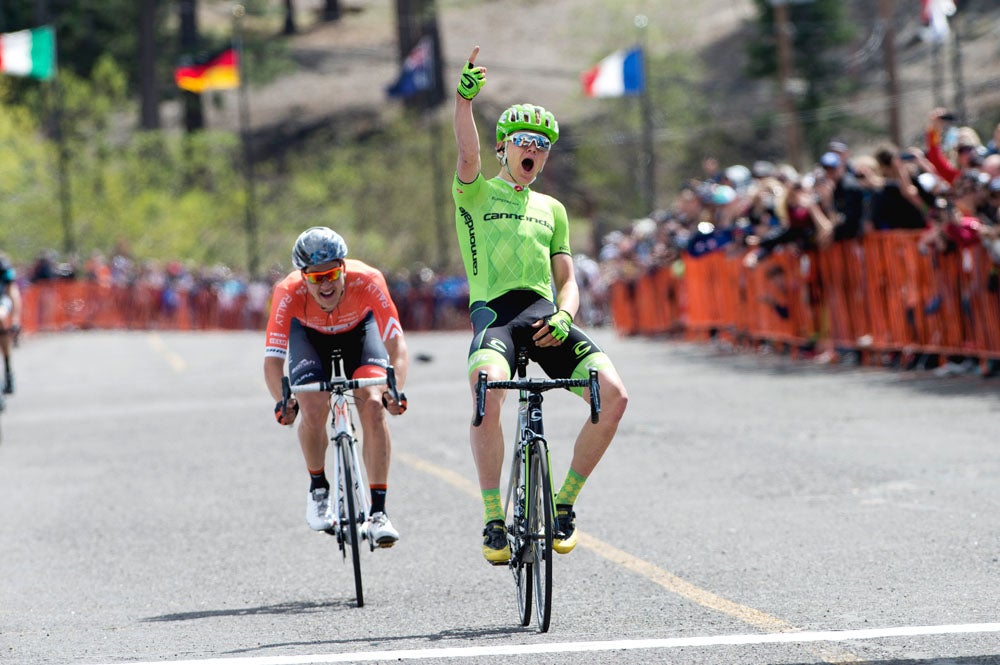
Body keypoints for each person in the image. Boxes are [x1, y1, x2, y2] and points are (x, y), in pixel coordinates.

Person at [452, 46, 629, 564]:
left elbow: (567, 279)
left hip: (544, 317)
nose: (535, 152)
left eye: (544, 146)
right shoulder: (477, 192)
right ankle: (492, 517)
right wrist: (464, 104)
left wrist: (565, 314)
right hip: (495, 316)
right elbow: (466, 155)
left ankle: (564, 502)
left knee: (614, 395)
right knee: (487, 390)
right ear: (505, 147)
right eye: (526, 143)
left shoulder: (553, 209)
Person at [263, 227, 408, 546]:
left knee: (372, 405)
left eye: (331, 274)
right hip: (310, 339)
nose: (325, 284)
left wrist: (393, 392)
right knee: (312, 408)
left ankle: (379, 512)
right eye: (315, 278)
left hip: (359, 333)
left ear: (343, 268)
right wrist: (281, 401)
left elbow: (396, 346)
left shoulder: (368, 279)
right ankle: (318, 488)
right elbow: (272, 361)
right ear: (303, 278)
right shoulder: (287, 291)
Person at [0, 255, 22, 397]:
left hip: (1, 299)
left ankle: (8, 370)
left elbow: (13, 292)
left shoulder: (2, 264)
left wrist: (15, 320)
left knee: (0, 316)